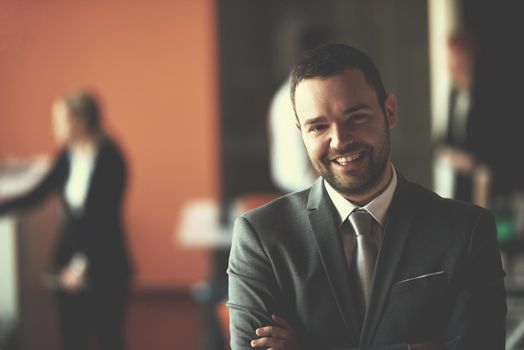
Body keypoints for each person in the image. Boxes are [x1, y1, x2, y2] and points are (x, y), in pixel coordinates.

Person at [227, 44, 506, 349]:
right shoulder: (261, 238)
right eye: (319, 126)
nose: (340, 140)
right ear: (301, 132)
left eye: (356, 117)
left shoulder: (467, 231)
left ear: (389, 112)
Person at [0, 91, 133, 350]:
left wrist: (82, 263)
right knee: (73, 337)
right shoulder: (68, 155)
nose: (54, 127)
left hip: (104, 262)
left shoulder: (111, 158)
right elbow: (39, 192)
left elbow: (103, 218)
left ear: (80, 121)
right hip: (66, 260)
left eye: (59, 120)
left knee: (109, 336)